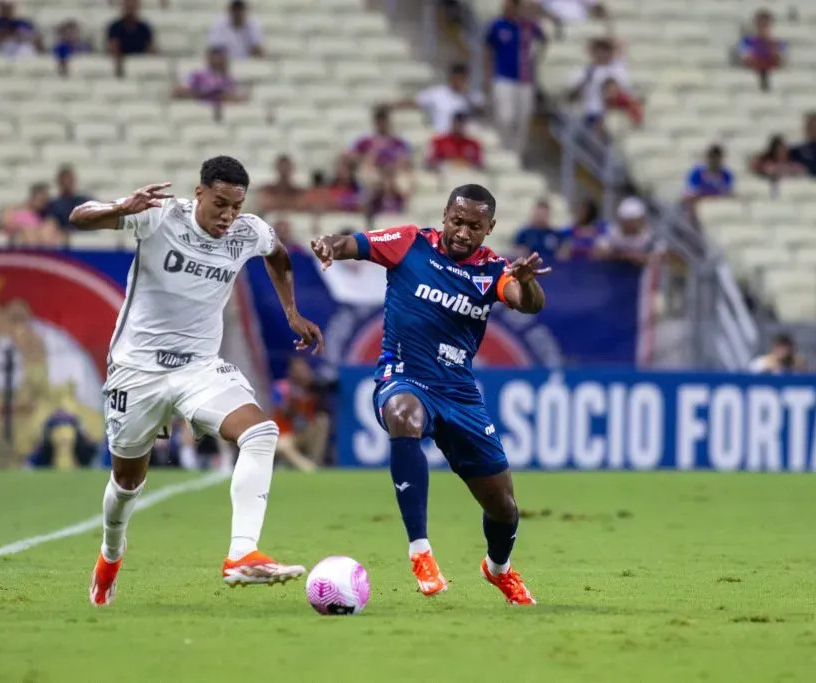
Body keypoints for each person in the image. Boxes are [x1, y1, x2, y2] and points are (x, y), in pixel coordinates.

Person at [69, 156, 324, 605]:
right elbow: (78, 217)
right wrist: (121, 209)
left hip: (198, 368)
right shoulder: (159, 216)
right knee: (127, 482)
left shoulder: (248, 232)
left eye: (236, 206)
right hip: (138, 369)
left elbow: (278, 255)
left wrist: (291, 312)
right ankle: (111, 554)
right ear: (199, 193)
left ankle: (242, 555)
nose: (228, 216)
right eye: (220, 203)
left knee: (261, 434)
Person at [309, 184, 546, 605]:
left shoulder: (494, 271)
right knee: (404, 415)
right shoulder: (408, 243)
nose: (463, 232)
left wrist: (526, 285)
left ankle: (498, 569)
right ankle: (420, 551)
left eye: (475, 226)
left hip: (459, 395)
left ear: (489, 228)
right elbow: (355, 244)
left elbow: (526, 303)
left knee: (504, 508)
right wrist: (329, 245)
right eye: (457, 221)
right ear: (444, 216)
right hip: (404, 377)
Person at [484, 0, 547, 155]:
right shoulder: (497, 25)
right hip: (503, 76)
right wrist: (487, 75)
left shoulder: (527, 26)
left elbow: (544, 39)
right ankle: (504, 148)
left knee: (522, 120)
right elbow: (488, 50)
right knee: (505, 116)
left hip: (525, 79)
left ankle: (516, 154)